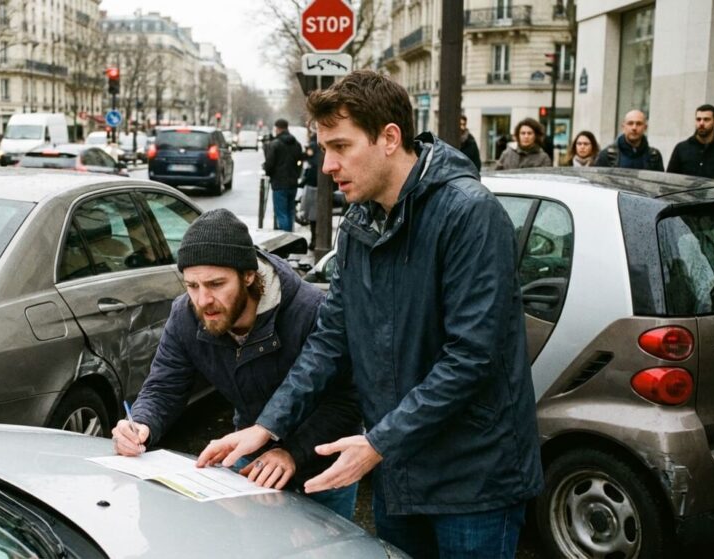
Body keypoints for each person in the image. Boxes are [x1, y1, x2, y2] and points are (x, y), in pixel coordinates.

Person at [197, 70, 543, 558]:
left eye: (340, 147)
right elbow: (330, 340)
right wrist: (266, 426)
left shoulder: (469, 213)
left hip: (474, 478)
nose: (327, 165)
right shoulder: (359, 223)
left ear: (389, 138)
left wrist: (377, 442)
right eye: (323, 149)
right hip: (398, 469)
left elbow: (472, 358)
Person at [112, 208, 363, 519]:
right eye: (192, 286)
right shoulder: (185, 316)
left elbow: (348, 400)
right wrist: (141, 425)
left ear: (248, 275)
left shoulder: (310, 311)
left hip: (323, 465)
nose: (203, 300)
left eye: (216, 284)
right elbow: (164, 387)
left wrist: (292, 453)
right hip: (248, 456)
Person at [666, 104, 714, 180]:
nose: (701, 123)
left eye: (706, 119)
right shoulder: (681, 148)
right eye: (698, 119)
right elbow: (669, 181)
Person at [263, 119, 304, 231]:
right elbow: (300, 162)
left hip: (279, 183)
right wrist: (296, 175)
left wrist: (268, 171)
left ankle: (285, 238)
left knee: (281, 213)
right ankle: (290, 237)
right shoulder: (296, 144)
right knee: (290, 211)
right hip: (293, 183)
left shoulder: (275, 144)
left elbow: (269, 164)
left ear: (277, 128)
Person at [596, 109, 665, 170]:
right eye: (630, 123)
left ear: (645, 127)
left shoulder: (654, 156)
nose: (634, 128)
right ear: (623, 127)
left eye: (639, 124)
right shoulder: (608, 155)